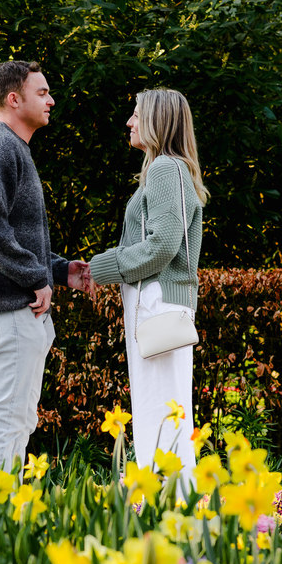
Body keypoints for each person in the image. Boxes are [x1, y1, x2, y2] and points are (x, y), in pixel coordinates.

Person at [0, 60, 94, 480]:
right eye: (42, 92)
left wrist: (58, 270)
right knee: (6, 420)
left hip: (15, 307)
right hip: (7, 308)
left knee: (19, 420)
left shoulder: (12, 147)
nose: (51, 100)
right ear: (14, 99)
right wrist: (35, 278)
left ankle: (3, 515)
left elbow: (11, 234)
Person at [87, 88, 207, 491]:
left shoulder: (164, 170)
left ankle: (166, 503)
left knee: (161, 411)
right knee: (166, 410)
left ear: (156, 120)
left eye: (136, 113)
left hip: (157, 303)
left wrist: (100, 267)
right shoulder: (170, 169)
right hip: (161, 303)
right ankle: (171, 502)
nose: (129, 121)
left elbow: (163, 244)